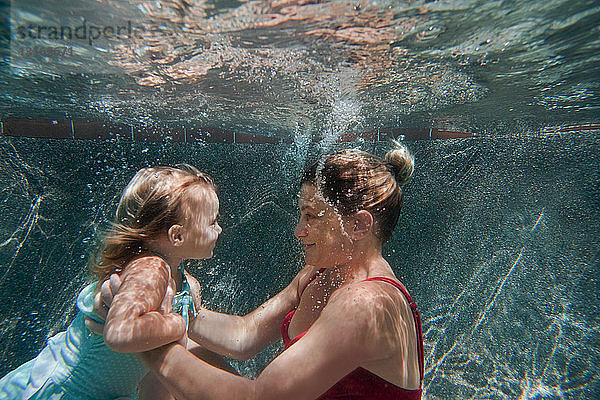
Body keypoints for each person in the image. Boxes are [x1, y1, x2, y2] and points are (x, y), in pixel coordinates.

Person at [96, 143, 424, 400]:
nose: (298, 230)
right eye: (300, 214)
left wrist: (142, 340)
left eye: (311, 216)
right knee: (192, 350)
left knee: (170, 365)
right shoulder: (319, 274)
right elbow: (245, 335)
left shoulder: (366, 305)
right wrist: (172, 311)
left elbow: (257, 397)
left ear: (358, 225)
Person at [0, 165, 230, 400]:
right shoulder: (150, 269)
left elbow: (155, 377)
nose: (219, 229)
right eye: (212, 223)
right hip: (65, 391)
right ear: (177, 236)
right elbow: (120, 333)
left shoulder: (182, 282)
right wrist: (179, 325)